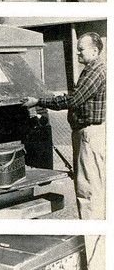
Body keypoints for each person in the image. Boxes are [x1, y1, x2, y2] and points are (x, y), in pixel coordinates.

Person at [22, 32, 106, 220]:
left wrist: (38, 101)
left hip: (88, 135)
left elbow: (74, 100)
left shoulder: (95, 71)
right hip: (87, 134)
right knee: (91, 188)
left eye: (81, 50)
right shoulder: (93, 68)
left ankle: (94, 245)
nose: (77, 54)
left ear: (94, 50)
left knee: (88, 192)